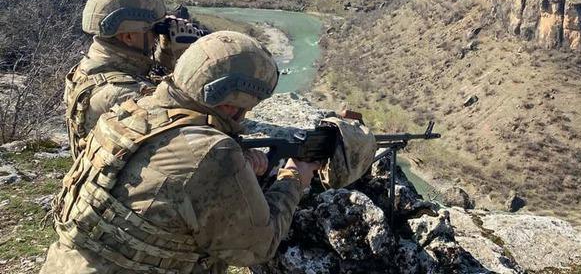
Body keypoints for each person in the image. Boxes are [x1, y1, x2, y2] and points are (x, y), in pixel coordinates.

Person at [42, 31, 376, 273]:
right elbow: (258, 246)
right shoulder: (212, 153)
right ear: (232, 104)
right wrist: (294, 177)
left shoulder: (127, 112)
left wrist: (239, 169)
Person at [64, 0, 204, 157]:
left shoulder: (87, 68)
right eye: (154, 29)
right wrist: (188, 58)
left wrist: (166, 53)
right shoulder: (128, 94)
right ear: (129, 36)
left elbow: (140, 73)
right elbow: (194, 127)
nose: (157, 36)